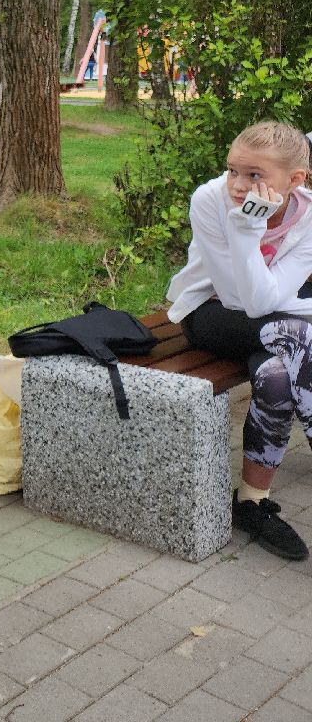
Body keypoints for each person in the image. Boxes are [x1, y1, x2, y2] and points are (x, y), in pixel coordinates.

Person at [168, 121, 312, 560]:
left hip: (276, 323)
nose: (237, 185)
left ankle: (251, 502)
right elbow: (242, 299)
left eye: (255, 175)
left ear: (296, 180)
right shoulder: (210, 201)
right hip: (210, 313)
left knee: (274, 374)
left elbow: (268, 298)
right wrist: (248, 230)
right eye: (233, 170)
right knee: (297, 334)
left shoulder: (309, 217)